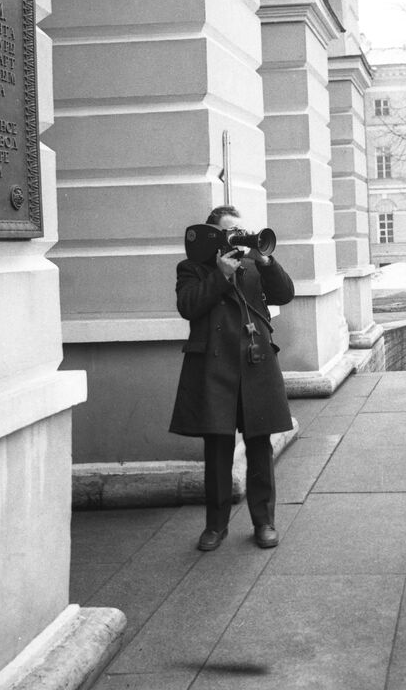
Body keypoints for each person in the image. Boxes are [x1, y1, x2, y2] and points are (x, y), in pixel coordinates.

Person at [169, 205, 295, 552]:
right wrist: (220, 275)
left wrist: (267, 261)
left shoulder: (255, 265)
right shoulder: (193, 268)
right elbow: (188, 306)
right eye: (231, 232)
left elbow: (284, 294)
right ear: (214, 236)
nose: (239, 237)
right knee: (218, 451)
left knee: (259, 448)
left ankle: (264, 522)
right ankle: (216, 526)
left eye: (242, 230)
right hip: (214, 368)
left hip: (254, 364)